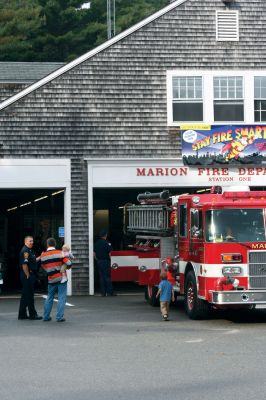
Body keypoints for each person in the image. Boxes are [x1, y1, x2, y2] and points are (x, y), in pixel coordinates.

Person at [40, 237, 72, 322]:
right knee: (61, 297)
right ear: (55, 244)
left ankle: (46, 316)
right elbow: (69, 263)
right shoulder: (60, 253)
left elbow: (43, 267)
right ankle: (59, 317)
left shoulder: (43, 255)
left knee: (49, 297)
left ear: (47, 244)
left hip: (51, 278)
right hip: (62, 278)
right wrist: (67, 267)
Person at [18, 236, 42, 320]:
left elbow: (32, 260)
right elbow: (24, 264)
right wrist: (27, 274)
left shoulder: (29, 250)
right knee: (30, 296)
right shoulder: (25, 251)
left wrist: (40, 257)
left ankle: (22, 314)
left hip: (28, 275)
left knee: (25, 295)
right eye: (30, 241)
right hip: (27, 275)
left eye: (32, 241)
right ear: (25, 242)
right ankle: (33, 315)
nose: (32, 242)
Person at [94, 229, 116, 297]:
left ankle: (103, 293)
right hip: (106, 261)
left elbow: (94, 254)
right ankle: (110, 292)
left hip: (99, 261)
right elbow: (110, 253)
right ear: (105, 235)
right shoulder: (107, 243)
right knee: (107, 277)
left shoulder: (96, 243)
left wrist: (97, 260)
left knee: (101, 277)